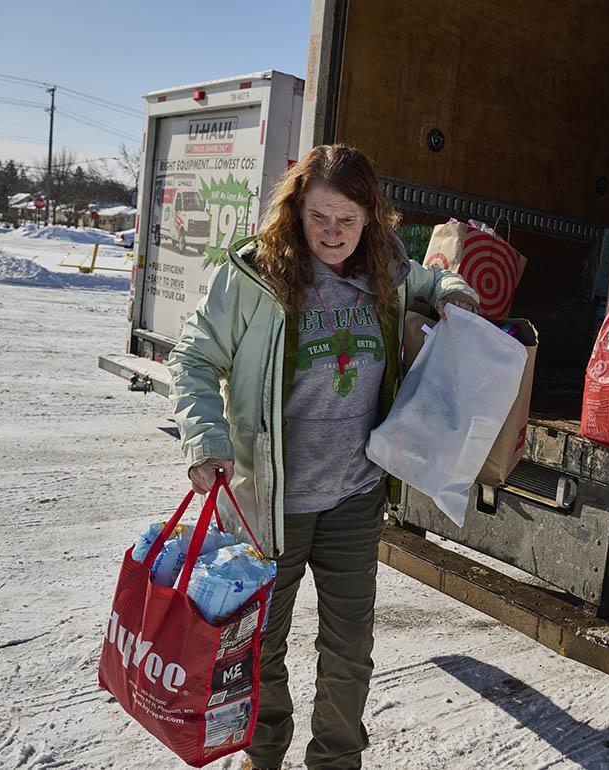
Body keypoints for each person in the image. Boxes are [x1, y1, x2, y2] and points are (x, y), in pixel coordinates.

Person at [167, 144, 478, 770]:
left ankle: (336, 761)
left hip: (355, 498)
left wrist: (454, 294)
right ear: (295, 212)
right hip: (269, 503)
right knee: (259, 644)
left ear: (370, 219)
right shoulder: (254, 277)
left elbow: (430, 278)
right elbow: (194, 358)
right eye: (318, 218)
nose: (332, 233)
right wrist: (206, 440)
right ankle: (265, 753)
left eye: (347, 219)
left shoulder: (384, 268)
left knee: (348, 649)